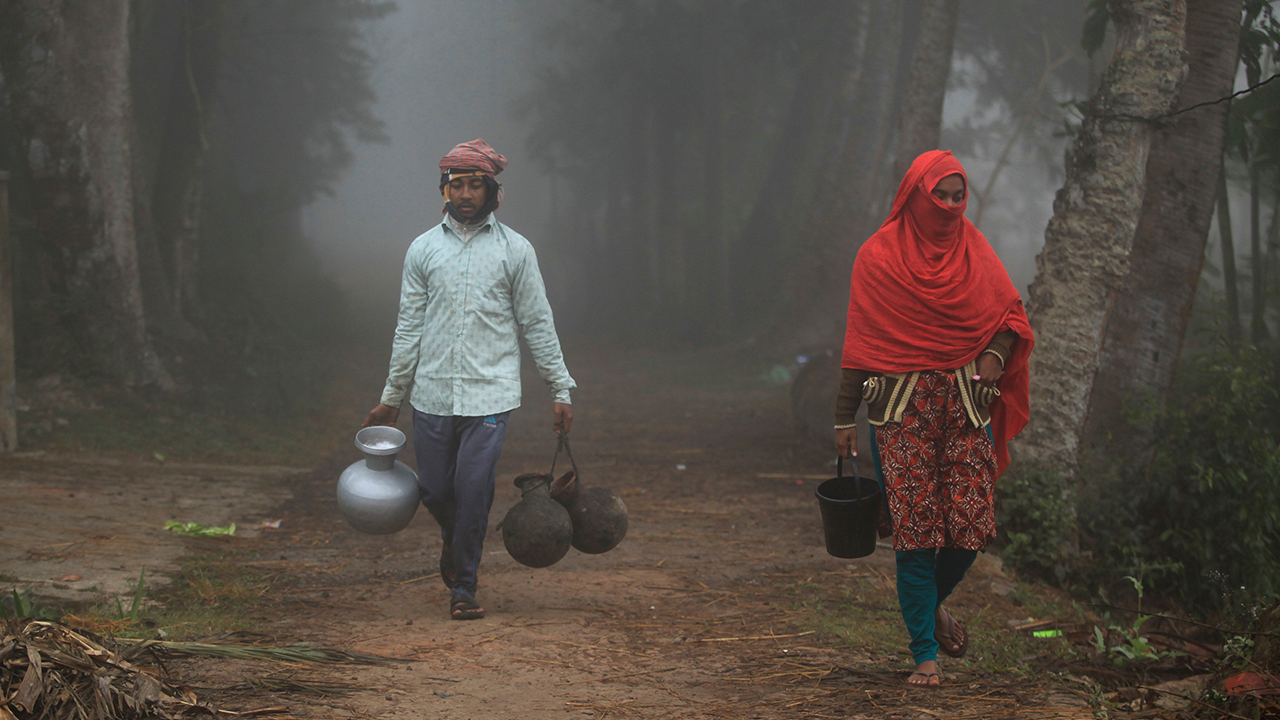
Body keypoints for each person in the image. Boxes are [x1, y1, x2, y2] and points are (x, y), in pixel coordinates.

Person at [833, 150, 1033, 688]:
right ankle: (924, 652)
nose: (947, 206)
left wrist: (994, 355)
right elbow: (860, 342)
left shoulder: (974, 249)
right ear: (914, 194)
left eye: (956, 197)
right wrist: (843, 418)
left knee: (970, 531)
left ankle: (931, 605)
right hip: (900, 414)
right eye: (938, 195)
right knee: (916, 536)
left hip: (965, 409)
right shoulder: (876, 256)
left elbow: (1008, 315)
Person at [364, 138, 576, 621]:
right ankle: (456, 539)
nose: (465, 194)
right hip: (432, 394)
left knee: (475, 487)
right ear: (444, 190)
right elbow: (409, 327)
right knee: (436, 491)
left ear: (492, 191)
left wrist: (559, 388)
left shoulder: (515, 250)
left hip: (490, 395)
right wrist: (392, 397)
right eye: (456, 185)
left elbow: (537, 322)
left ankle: (464, 585)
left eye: (475, 185)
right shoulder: (423, 250)